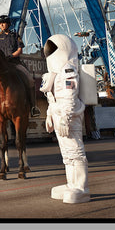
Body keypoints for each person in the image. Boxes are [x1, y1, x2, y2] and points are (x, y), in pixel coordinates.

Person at [39, 33, 90, 204]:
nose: (49, 53)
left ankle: (81, 188)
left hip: (69, 117)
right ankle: (71, 184)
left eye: (52, 50)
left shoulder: (68, 71)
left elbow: (70, 97)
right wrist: (49, 115)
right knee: (67, 154)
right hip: (58, 116)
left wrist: (65, 118)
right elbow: (52, 98)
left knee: (75, 151)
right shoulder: (54, 73)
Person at [0, 15, 41, 118]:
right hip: (1, 66)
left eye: (4, 23)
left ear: (8, 24)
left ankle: (33, 107)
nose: (2, 25)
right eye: (0, 24)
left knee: (30, 80)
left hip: (14, 63)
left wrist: (11, 56)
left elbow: (20, 50)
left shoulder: (15, 36)